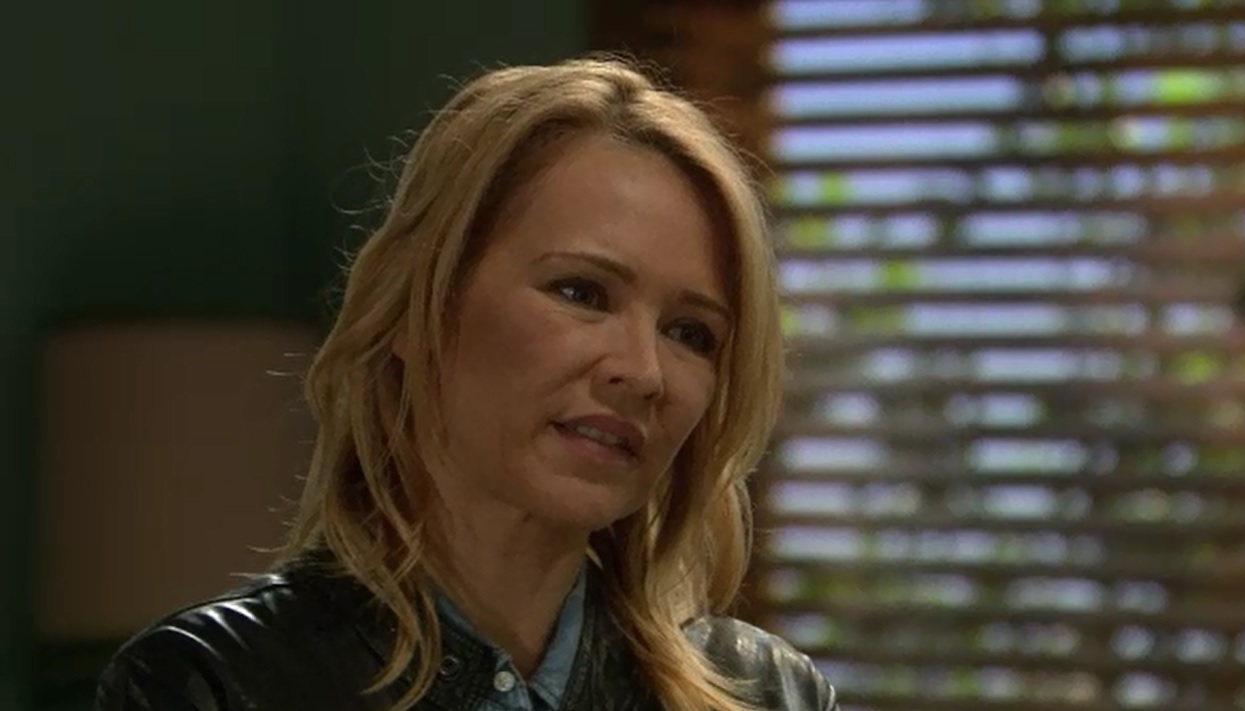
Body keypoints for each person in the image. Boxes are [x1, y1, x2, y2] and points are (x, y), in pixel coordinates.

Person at [94, 56, 839, 711]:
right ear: (417, 308)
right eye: (581, 292)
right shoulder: (215, 683)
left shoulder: (769, 694)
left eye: (690, 333)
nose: (643, 372)